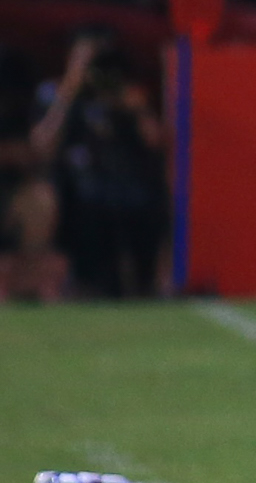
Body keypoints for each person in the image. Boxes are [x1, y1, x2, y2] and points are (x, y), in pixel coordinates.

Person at [35, 31, 166, 299]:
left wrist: (136, 108)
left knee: (155, 204)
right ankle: (84, 284)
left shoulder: (124, 95)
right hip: (76, 190)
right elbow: (42, 145)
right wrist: (70, 89)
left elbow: (156, 142)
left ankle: (147, 284)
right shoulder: (55, 93)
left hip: (128, 189)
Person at [0, 44, 64, 302]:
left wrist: (71, 81)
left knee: (40, 199)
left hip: (13, 192)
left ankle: (30, 285)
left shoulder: (24, 107)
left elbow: (39, 150)